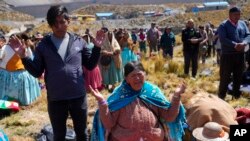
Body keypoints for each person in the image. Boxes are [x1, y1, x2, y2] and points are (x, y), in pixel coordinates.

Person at [8, 5, 105, 141]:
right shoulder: (44, 45)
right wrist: (24, 57)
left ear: (68, 21)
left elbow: (90, 65)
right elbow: (37, 71)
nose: (58, 26)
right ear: (50, 25)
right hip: (56, 99)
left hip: (78, 97)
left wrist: (97, 48)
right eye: (54, 23)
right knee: (59, 135)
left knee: (82, 133)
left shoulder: (79, 41)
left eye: (62, 22)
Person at [90, 61, 186, 141]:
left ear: (145, 75)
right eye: (133, 76)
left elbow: (169, 117)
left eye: (140, 74)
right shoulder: (119, 96)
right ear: (126, 79)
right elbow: (109, 123)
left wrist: (176, 97)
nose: (137, 78)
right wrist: (102, 102)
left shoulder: (153, 92)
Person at [217, 6, 250, 99]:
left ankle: (236, 96)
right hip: (228, 56)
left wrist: (244, 43)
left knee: (238, 76)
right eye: (235, 14)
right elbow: (223, 39)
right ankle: (221, 97)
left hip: (240, 55)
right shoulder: (223, 25)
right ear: (230, 15)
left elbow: (248, 35)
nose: (237, 16)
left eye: (239, 14)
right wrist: (235, 45)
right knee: (225, 77)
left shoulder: (242, 24)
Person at [0, 33, 41, 105]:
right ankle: (15, 105)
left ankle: (11, 106)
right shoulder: (24, 47)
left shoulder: (23, 48)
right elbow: (31, 59)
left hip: (17, 75)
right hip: (17, 74)